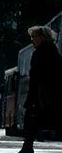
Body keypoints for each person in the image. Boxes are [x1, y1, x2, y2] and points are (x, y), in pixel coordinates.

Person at [18, 25, 62, 153]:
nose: (32, 40)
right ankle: (27, 146)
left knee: (31, 119)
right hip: (48, 93)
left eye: (34, 37)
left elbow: (37, 76)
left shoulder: (41, 52)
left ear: (43, 37)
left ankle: (27, 147)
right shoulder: (53, 50)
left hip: (42, 93)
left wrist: (32, 96)